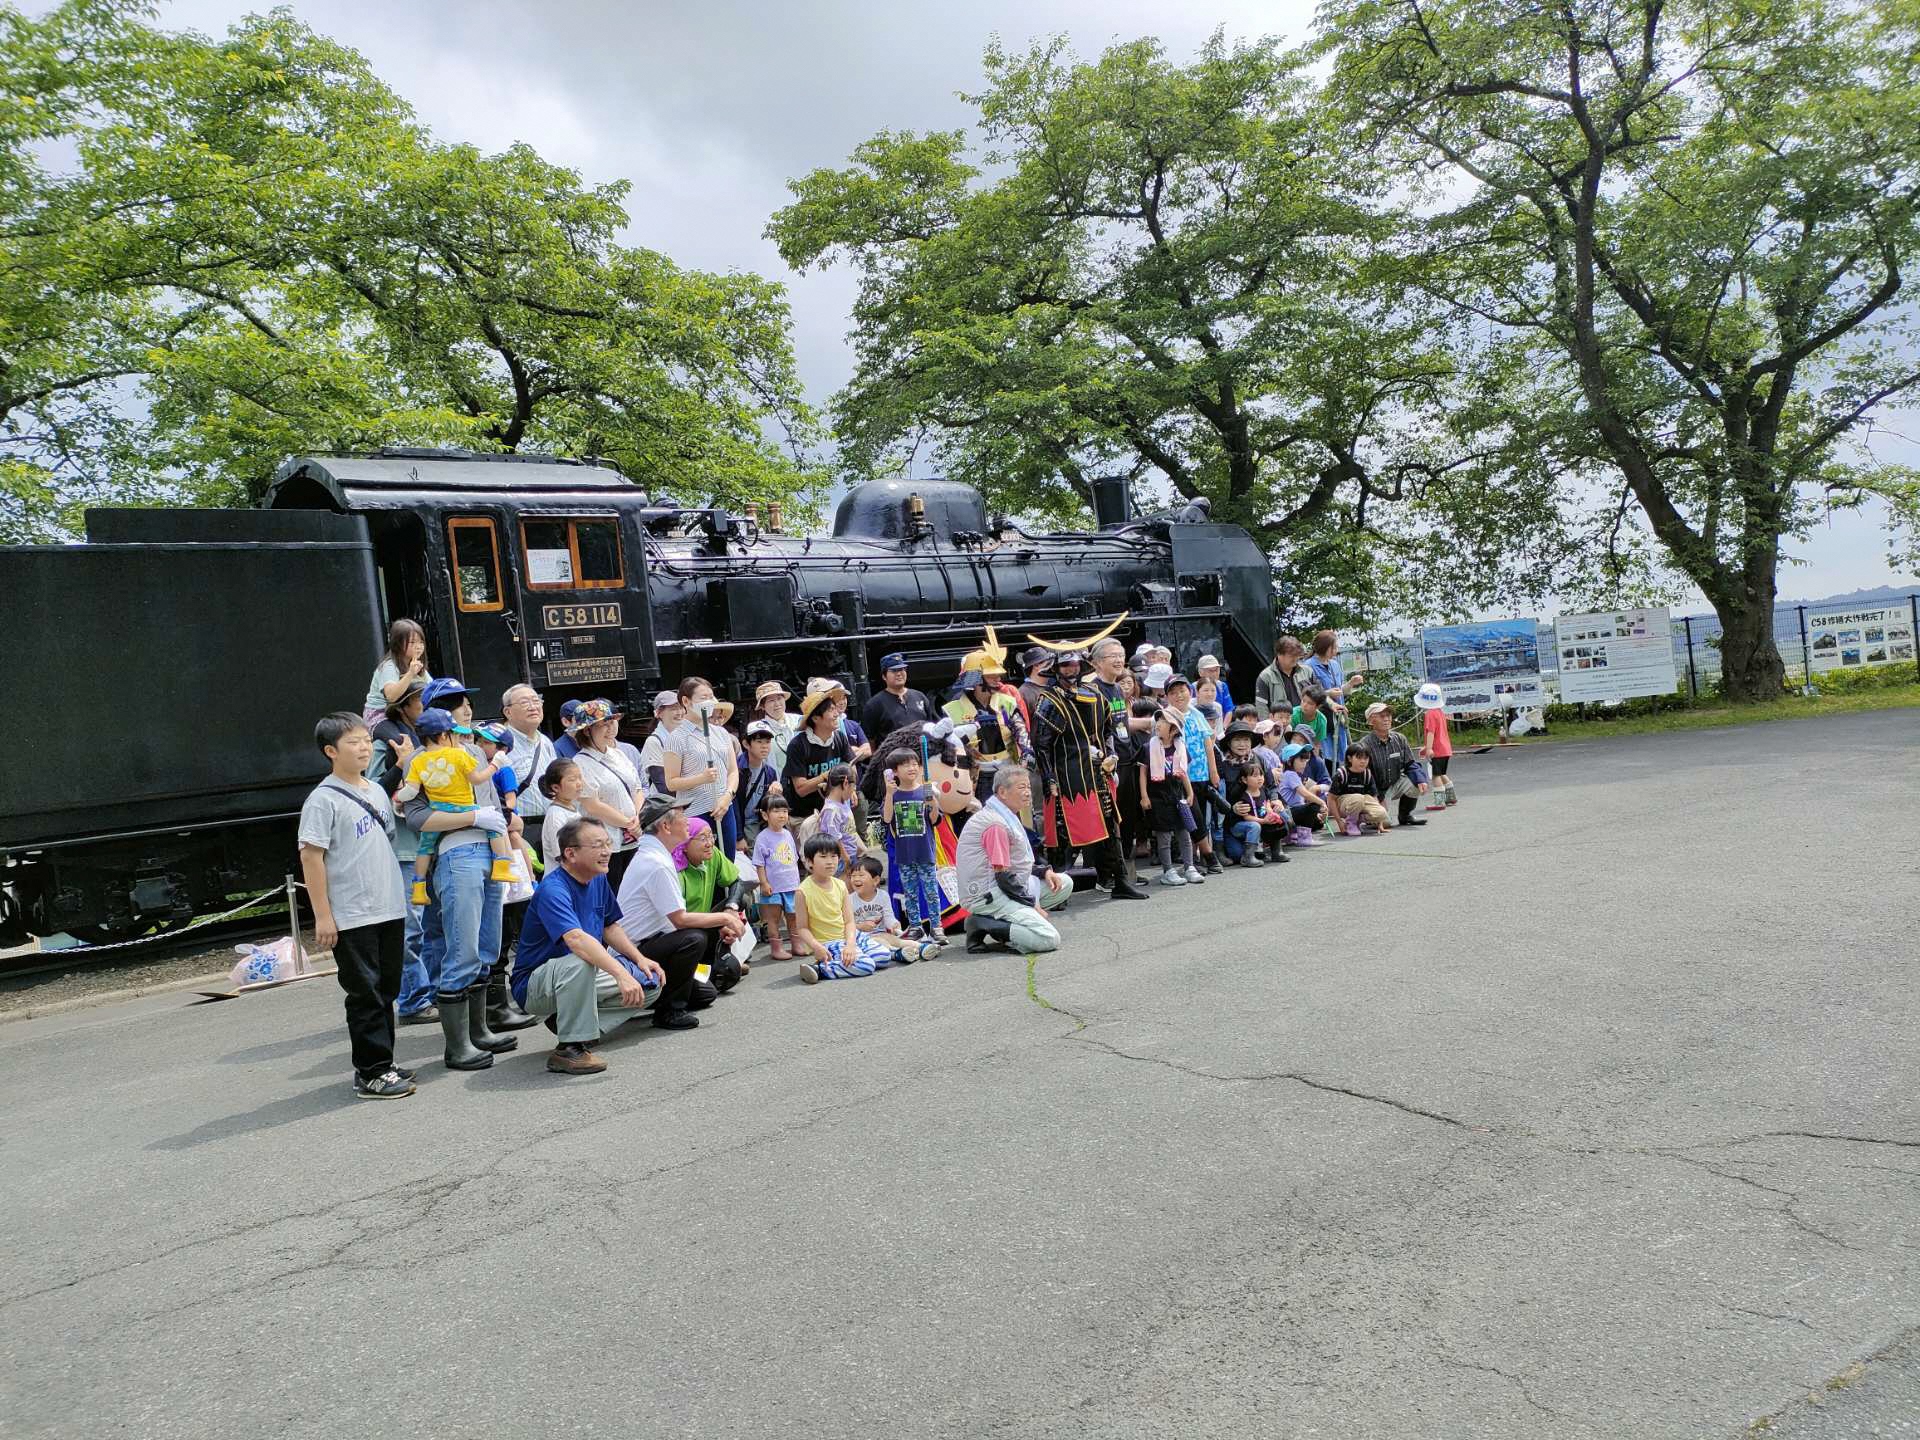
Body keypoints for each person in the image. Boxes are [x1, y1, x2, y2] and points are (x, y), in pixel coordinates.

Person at [400, 678, 519, 1070]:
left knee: (487, 944)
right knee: (462, 947)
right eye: (451, 704)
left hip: (489, 849)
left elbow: (493, 798)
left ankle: (479, 1031)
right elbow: (417, 818)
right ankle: (457, 1046)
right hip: (457, 854)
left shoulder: (473, 753)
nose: (462, 709)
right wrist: (474, 817)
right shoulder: (420, 763)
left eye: (464, 701)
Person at [298, 713, 412, 1099]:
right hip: (352, 912)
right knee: (365, 993)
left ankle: (384, 1062)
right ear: (331, 751)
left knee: (387, 989)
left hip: (388, 907)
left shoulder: (376, 791)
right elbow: (311, 858)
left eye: (366, 740)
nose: (364, 747)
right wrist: (324, 915)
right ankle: (371, 1072)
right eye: (354, 742)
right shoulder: (322, 800)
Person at [1030, 648, 1147, 900]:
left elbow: (1108, 728)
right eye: (1065, 665)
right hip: (1065, 775)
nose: (1070, 669)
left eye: (1074, 664)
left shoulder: (1093, 694)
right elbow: (1040, 744)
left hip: (1096, 771)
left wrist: (1108, 754)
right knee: (1062, 836)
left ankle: (1118, 880)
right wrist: (1049, 776)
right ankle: (1056, 891)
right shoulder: (1048, 699)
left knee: (1109, 827)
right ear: (1057, 669)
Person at [393, 709, 516, 898]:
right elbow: (477, 779)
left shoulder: (417, 761)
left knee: (424, 849)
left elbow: (411, 791)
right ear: (443, 736)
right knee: (494, 826)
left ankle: (418, 889)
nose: (458, 738)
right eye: (455, 733)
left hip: (437, 810)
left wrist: (398, 798)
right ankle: (502, 865)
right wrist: (495, 764)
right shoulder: (460, 755)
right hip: (465, 806)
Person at [954, 765, 1073, 953]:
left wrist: (1044, 872)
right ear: (1002, 792)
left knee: (1064, 883)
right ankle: (981, 923)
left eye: (1027, 787)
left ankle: (1009, 919)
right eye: (1021, 788)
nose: (1027, 793)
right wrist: (1031, 904)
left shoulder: (1005, 814)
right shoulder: (995, 824)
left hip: (1006, 885)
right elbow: (1003, 875)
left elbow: (1016, 862)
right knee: (1048, 939)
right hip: (989, 893)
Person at [370, 677, 434, 1024]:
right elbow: (373, 790)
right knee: (412, 928)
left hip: (434, 845)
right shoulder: (388, 741)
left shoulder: (434, 739)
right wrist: (401, 764)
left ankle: (433, 990)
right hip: (406, 848)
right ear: (405, 705)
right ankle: (413, 998)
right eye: (423, 702)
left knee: (433, 927)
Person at [794, 836, 896, 982]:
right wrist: (816, 947)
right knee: (866, 966)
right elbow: (802, 928)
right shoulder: (802, 891)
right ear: (809, 861)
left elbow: (849, 922)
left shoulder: (841, 885)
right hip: (828, 942)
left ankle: (842, 960)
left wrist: (851, 944)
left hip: (850, 936)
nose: (830, 861)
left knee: (883, 956)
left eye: (834, 856)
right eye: (823, 857)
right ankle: (819, 969)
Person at [568, 699, 643, 885]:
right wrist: (628, 823)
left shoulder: (618, 754)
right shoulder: (580, 763)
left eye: (612, 722)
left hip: (634, 836)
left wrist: (638, 817)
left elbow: (638, 788)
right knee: (612, 889)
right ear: (587, 730)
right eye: (604, 724)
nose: (611, 728)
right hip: (605, 840)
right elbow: (592, 805)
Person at [663, 676, 738, 847]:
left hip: (725, 808)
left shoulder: (721, 733)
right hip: (696, 813)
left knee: (727, 863)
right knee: (703, 865)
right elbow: (671, 783)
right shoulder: (676, 738)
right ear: (686, 701)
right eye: (703, 698)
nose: (710, 702)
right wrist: (701, 778)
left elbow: (733, 772)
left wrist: (727, 797)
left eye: (711, 697)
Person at [1164, 674, 1225, 875]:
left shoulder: (1196, 713)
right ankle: (1207, 855)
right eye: (1173, 693)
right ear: (1167, 697)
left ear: (1189, 692)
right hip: (1181, 776)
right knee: (1193, 815)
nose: (1178, 696)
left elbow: (1208, 742)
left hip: (1202, 774)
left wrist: (1213, 771)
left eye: (1182, 691)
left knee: (1200, 816)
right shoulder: (1166, 716)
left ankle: (1196, 858)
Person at [880, 747, 943, 937]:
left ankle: (937, 926)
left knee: (931, 892)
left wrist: (933, 802)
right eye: (906, 764)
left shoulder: (925, 790)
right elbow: (887, 817)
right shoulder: (894, 794)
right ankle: (915, 926)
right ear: (895, 771)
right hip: (904, 854)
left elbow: (933, 820)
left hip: (925, 852)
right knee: (910, 893)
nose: (912, 768)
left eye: (915, 763)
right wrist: (889, 793)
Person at [1142, 707, 1201, 886]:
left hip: (1177, 796)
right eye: (1157, 721)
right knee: (1164, 837)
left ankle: (1189, 866)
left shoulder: (1180, 748)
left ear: (1174, 729)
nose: (1158, 724)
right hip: (1158, 798)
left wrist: (1189, 792)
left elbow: (1183, 773)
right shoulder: (1148, 747)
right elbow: (1142, 772)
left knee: (1184, 833)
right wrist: (1144, 796)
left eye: (1163, 722)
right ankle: (1168, 870)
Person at [781, 686, 853, 820]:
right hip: (804, 817)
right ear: (815, 718)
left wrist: (851, 787)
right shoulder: (798, 745)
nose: (836, 713)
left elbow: (851, 766)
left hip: (835, 812)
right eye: (831, 710)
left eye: (835, 708)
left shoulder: (840, 738)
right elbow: (801, 789)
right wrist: (827, 776)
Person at [502, 684, 555, 857]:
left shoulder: (545, 741)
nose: (533, 706)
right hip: (520, 828)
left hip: (551, 823)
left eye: (536, 700)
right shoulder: (500, 745)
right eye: (525, 702)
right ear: (508, 712)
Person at [1358, 701, 1430, 827]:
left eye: (1388, 715)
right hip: (1375, 790)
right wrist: (1378, 798)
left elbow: (1410, 763)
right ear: (1370, 721)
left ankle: (1405, 816)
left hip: (1395, 782)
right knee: (1385, 823)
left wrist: (1420, 780)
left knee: (1415, 782)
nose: (1386, 719)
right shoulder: (1364, 744)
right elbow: (1363, 777)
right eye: (1381, 716)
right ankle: (1363, 817)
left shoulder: (1400, 739)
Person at [1306, 631, 1363, 782]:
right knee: (1325, 753)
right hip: (1321, 717)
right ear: (1325, 647)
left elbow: (1339, 690)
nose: (1336, 650)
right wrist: (1327, 693)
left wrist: (1350, 684)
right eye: (1334, 646)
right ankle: (1328, 787)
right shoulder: (1309, 666)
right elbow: (1308, 694)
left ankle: (1339, 785)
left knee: (1340, 753)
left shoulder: (1335, 665)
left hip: (1338, 717)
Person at [751, 792, 802, 959]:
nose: (782, 815)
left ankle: (796, 944)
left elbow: (793, 859)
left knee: (793, 916)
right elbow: (759, 864)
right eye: (776, 811)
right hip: (773, 887)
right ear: (765, 815)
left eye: (785, 811)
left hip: (791, 885)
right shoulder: (762, 838)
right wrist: (764, 883)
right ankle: (776, 948)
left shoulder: (788, 834)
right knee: (773, 918)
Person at [362, 618, 431, 722]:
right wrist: (410, 673)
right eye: (412, 642)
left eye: (421, 642)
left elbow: (432, 688)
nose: (418, 647)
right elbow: (391, 696)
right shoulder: (389, 666)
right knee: (398, 738)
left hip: (401, 713)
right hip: (380, 714)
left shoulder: (417, 666)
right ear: (398, 643)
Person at [734, 720, 782, 855]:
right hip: (742, 827)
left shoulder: (770, 772)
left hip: (759, 825)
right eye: (759, 742)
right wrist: (738, 836)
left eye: (767, 742)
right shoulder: (737, 770)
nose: (764, 746)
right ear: (746, 744)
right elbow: (734, 804)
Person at [861, 651, 934, 739]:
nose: (899, 674)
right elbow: (869, 739)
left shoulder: (920, 696)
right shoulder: (874, 704)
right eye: (894, 671)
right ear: (884, 676)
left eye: (902, 669)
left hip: (922, 750)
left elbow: (931, 729)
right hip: (892, 751)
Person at [1219, 760, 1269, 867]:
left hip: (1254, 825)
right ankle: (1248, 857)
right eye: (1255, 776)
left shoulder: (1263, 790)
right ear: (1244, 780)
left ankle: (1275, 851)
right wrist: (1263, 821)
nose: (1259, 778)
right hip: (1237, 828)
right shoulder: (1242, 794)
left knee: (1278, 819)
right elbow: (1247, 817)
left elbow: (1267, 803)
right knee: (1237, 855)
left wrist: (1271, 812)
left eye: (1261, 775)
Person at [1415, 682, 1458, 806]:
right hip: (1445, 749)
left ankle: (1439, 802)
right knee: (1441, 773)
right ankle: (1451, 796)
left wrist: (1428, 749)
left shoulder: (1430, 714)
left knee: (1435, 776)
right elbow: (1439, 733)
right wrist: (1427, 747)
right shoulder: (1439, 712)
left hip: (1437, 750)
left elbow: (1431, 733)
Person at [1277, 744, 1330, 845]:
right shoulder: (1290, 774)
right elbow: (1305, 794)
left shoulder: (1293, 775)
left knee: (1317, 821)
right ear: (1289, 761)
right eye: (1301, 760)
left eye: (1306, 761)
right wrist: (1322, 802)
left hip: (1291, 812)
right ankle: (1304, 838)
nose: (1304, 764)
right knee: (1314, 805)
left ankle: (1292, 835)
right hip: (1288, 813)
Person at [1331, 746, 1391, 834]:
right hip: (1344, 805)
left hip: (1360, 802)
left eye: (1366, 758)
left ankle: (1356, 821)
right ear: (1350, 758)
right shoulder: (1342, 774)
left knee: (1382, 813)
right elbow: (1331, 799)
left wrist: (1380, 823)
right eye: (1359, 758)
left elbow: (1374, 798)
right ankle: (1351, 823)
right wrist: (1339, 822)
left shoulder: (1367, 774)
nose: (1363, 761)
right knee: (1358, 798)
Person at [816, 764, 863, 875]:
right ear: (846, 783)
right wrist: (846, 859)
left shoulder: (842, 802)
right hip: (841, 860)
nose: (853, 791)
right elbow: (834, 839)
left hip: (851, 854)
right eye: (853, 787)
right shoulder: (831, 810)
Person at [537, 758, 586, 860]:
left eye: (580, 778)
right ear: (556, 787)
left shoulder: (572, 807)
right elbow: (562, 856)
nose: (579, 783)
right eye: (572, 779)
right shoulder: (556, 815)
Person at [636, 690, 684, 792]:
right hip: (670, 804)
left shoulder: (687, 736)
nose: (680, 712)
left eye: (681, 707)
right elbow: (661, 784)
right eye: (674, 709)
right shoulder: (654, 742)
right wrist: (679, 806)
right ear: (659, 713)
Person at [1254, 636, 1310, 717]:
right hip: (1280, 725)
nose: (1295, 659)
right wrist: (1269, 727)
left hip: (1305, 723)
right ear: (1279, 655)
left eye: (1297, 655)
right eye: (1291, 656)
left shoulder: (1307, 671)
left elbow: (1317, 695)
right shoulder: (1265, 676)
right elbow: (1261, 707)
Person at [751, 679, 798, 776]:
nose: (777, 704)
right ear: (763, 706)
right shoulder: (757, 728)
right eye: (771, 700)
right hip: (775, 785)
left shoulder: (798, 720)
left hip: (803, 782)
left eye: (779, 698)